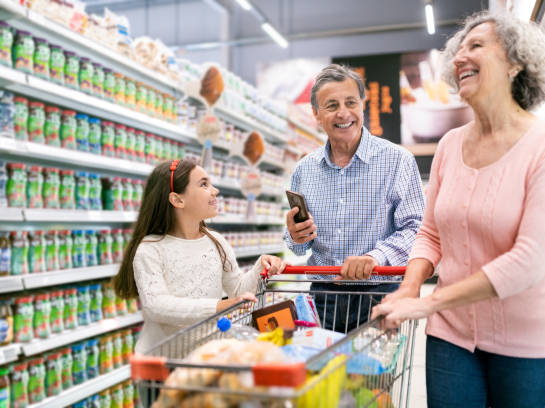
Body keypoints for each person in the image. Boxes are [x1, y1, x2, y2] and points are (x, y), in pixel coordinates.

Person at [371, 12, 545, 408]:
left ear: (516, 62)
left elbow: (528, 261)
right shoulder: (449, 144)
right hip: (452, 335)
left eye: (476, 46)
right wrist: (410, 286)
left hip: (531, 344)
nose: (459, 57)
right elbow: (430, 233)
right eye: (458, 50)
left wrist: (427, 303)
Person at [285, 64, 425, 332]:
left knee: (372, 374)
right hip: (321, 297)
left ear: (362, 104)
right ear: (316, 113)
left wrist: (374, 257)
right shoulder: (305, 169)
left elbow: (416, 230)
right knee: (324, 373)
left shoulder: (398, 161)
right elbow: (298, 247)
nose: (343, 113)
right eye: (331, 105)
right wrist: (295, 235)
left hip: (378, 294)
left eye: (351, 102)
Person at [113, 158, 286, 353]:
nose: (215, 191)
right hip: (161, 362)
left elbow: (237, 291)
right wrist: (218, 306)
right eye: (204, 184)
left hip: (206, 357)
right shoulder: (151, 249)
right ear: (177, 200)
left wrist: (260, 268)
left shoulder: (216, 241)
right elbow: (156, 306)